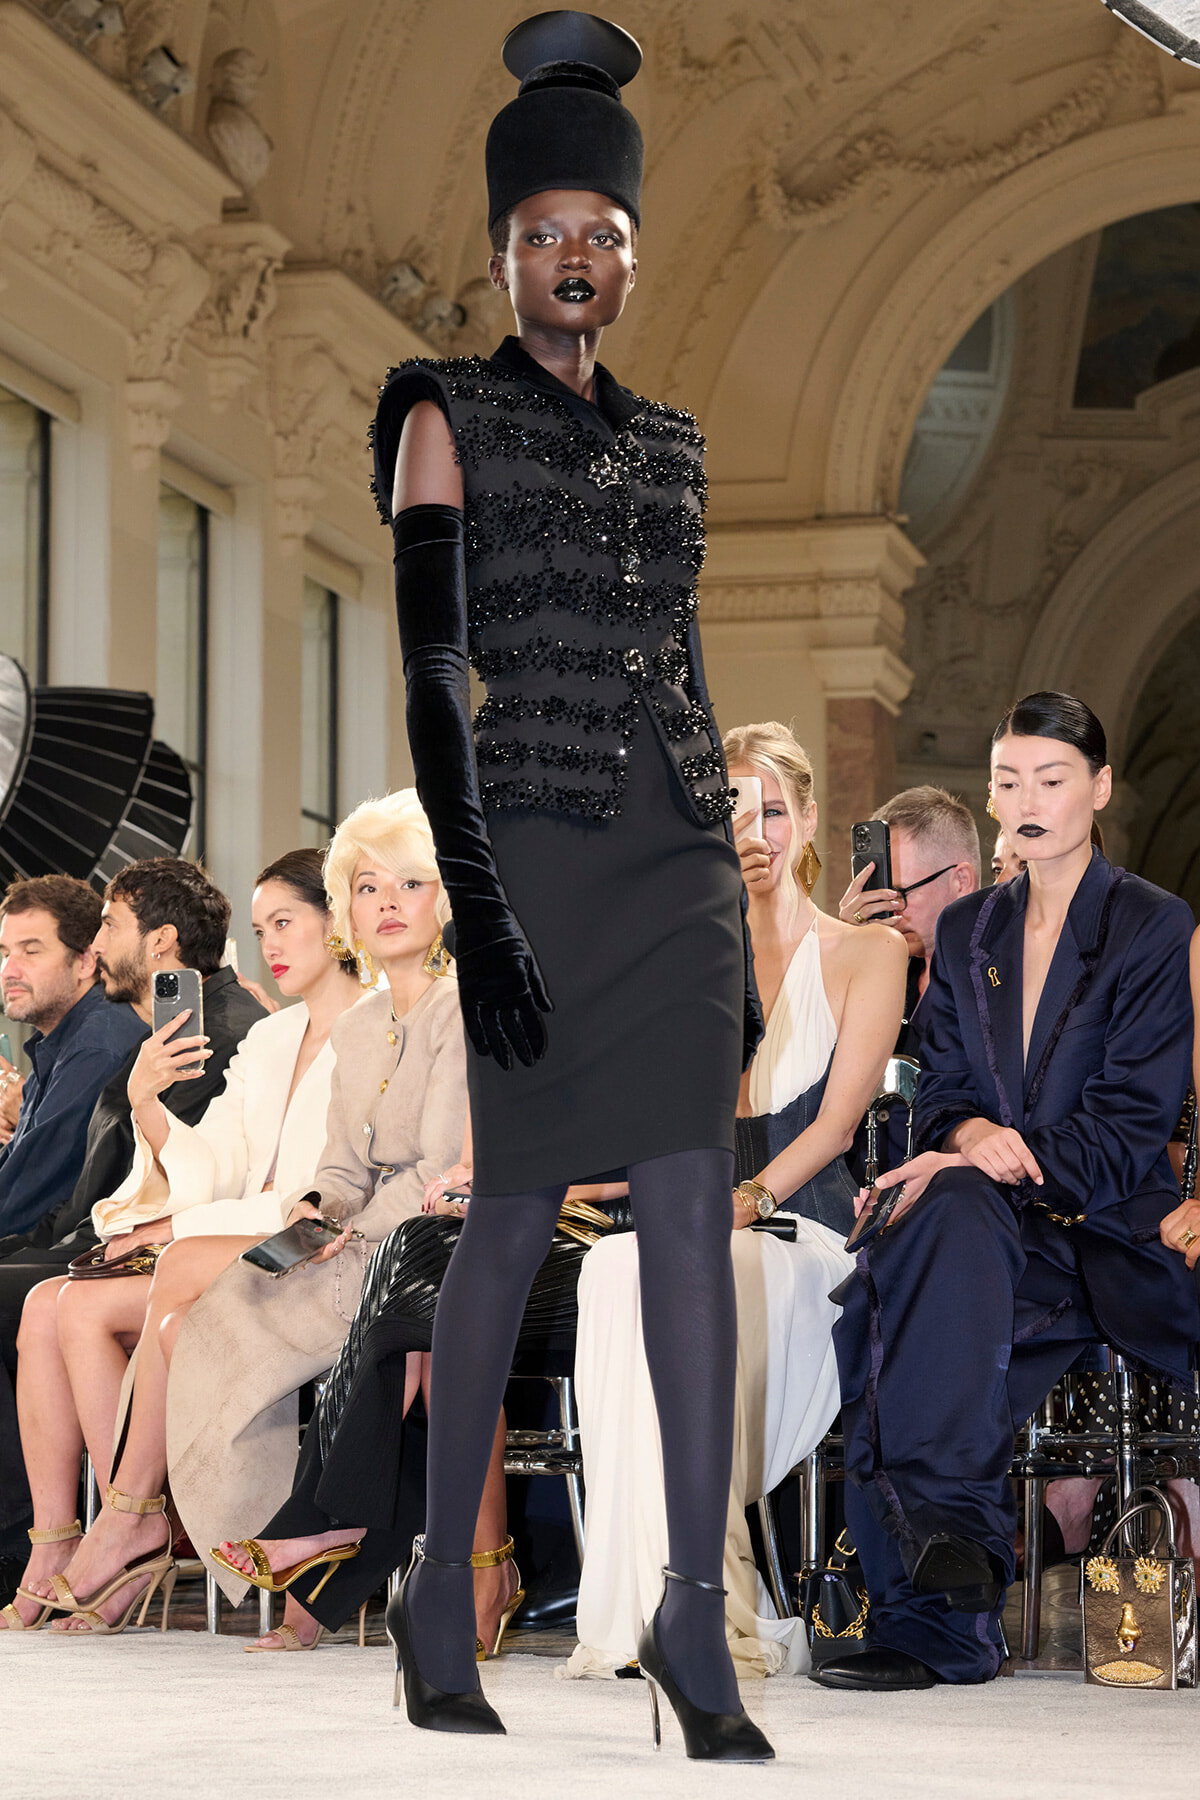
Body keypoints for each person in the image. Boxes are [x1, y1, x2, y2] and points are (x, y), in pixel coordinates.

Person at [369, 13, 771, 1758]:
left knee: (695, 1214)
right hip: (525, 854)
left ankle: (695, 1625)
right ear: (501, 255)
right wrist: (478, 903)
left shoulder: (674, 446)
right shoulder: (440, 414)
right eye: (545, 234)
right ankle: (430, 1591)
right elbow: (429, 678)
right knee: (516, 1215)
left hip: (676, 857)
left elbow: (683, 661)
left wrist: (738, 920)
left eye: (600, 232)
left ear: (630, 252)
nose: (575, 257)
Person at [815, 691, 1200, 1691]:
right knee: (930, 1238)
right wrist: (969, 1134)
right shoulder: (972, 928)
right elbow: (938, 1086)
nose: (1026, 800)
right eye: (1007, 781)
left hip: (1105, 1233)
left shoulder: (1153, 926)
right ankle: (950, 1569)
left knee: (908, 1284)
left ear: (1099, 789)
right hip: (988, 1234)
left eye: (1052, 779)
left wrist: (990, 1153)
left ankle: (941, 1610)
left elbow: (1129, 1125)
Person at [562, 722, 906, 1679]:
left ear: (803, 821)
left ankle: (701, 1611)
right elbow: (652, 1134)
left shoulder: (868, 953)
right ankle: (652, 1598)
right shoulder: (680, 957)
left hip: (814, 1228)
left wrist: (746, 1200)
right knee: (611, 1261)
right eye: (729, 814)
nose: (753, 832)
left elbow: (839, 1127)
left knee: (685, 1260)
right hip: (700, 1225)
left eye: (771, 810)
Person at [2, 849, 360, 1632]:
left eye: (287, 923)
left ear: (337, 925)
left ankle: (134, 1521)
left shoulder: (372, 1028)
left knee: (81, 1309)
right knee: (43, 1306)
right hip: (237, 1239)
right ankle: (61, 1539)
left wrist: (171, 1226)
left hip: (303, 1248)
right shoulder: (275, 1038)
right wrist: (149, 1103)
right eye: (262, 927)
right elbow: (219, 1161)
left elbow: (317, 1193)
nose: (271, 943)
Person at [154, 791, 466, 1642]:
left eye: (412, 883)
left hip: (436, 1238)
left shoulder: (458, 1008)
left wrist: (350, 1234)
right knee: (207, 1316)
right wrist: (313, 1209)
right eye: (369, 888)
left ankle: (304, 1553)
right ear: (349, 911)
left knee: (363, 1322)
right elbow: (338, 1166)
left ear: (444, 898)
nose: (391, 903)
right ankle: (254, 1539)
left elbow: (441, 1167)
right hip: (357, 1242)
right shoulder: (361, 1025)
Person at [0, 858, 264, 1603]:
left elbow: (210, 1174)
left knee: (50, 1299)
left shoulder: (215, 1031)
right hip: (141, 1233)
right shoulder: (167, 1028)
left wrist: (145, 1103)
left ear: (160, 943)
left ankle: (119, 1523)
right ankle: (58, 1538)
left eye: (110, 926)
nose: (99, 943)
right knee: (48, 1298)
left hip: (205, 1242)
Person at [0, 876, 145, 1239]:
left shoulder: (96, 1047)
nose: (9, 971)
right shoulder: (60, 1039)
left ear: (85, 963)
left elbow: (26, 1199)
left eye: (31, 951)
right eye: (5, 953)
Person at [839, 785, 980, 1054]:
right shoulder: (892, 969)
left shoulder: (996, 978)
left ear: (961, 881)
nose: (888, 911)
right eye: (877, 897)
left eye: (899, 893)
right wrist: (847, 957)